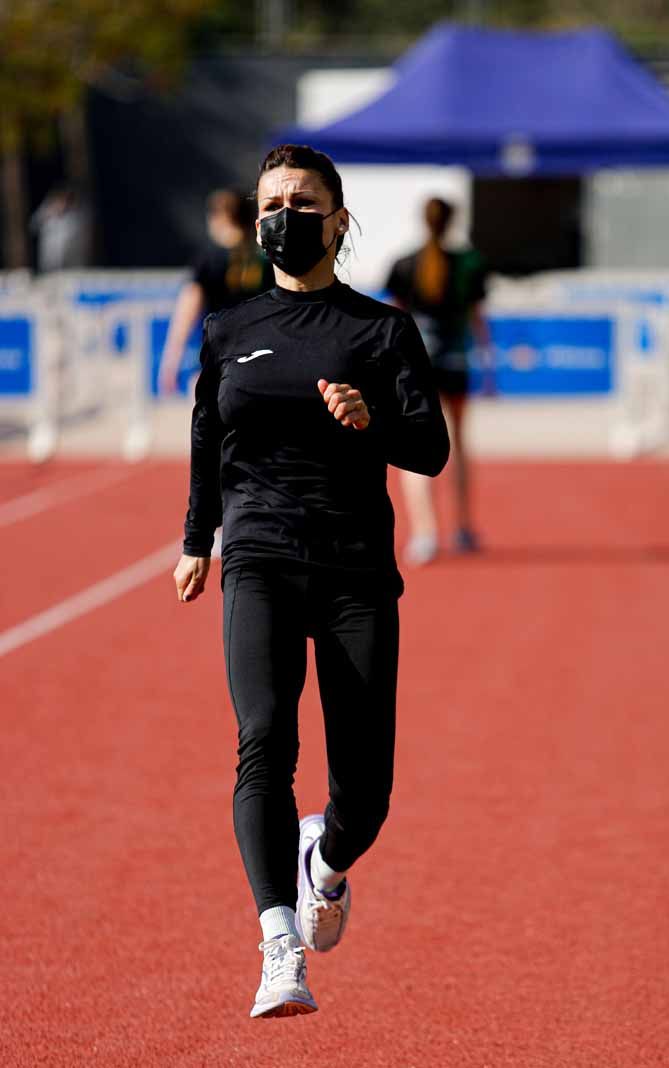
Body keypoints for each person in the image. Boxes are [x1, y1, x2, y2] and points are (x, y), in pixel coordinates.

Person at [172, 144, 449, 1019]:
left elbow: (430, 449)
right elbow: (205, 444)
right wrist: (195, 540)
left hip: (354, 568)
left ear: (337, 218)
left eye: (301, 200)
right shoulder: (230, 330)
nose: (282, 214)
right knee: (263, 741)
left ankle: (325, 863)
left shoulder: (381, 330)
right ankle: (278, 944)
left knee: (366, 791)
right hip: (257, 556)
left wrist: (369, 423)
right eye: (271, 201)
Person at [385, 197, 491, 565]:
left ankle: (425, 534)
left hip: (418, 366)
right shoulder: (469, 263)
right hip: (457, 362)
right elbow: (478, 318)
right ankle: (462, 527)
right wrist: (488, 365)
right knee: (460, 444)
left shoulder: (404, 264)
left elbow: (393, 319)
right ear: (452, 222)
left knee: (413, 446)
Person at [159, 189, 273, 392]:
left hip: (217, 359)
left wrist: (171, 361)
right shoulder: (266, 260)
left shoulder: (209, 259)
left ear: (220, 217)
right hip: (260, 358)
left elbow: (188, 311)